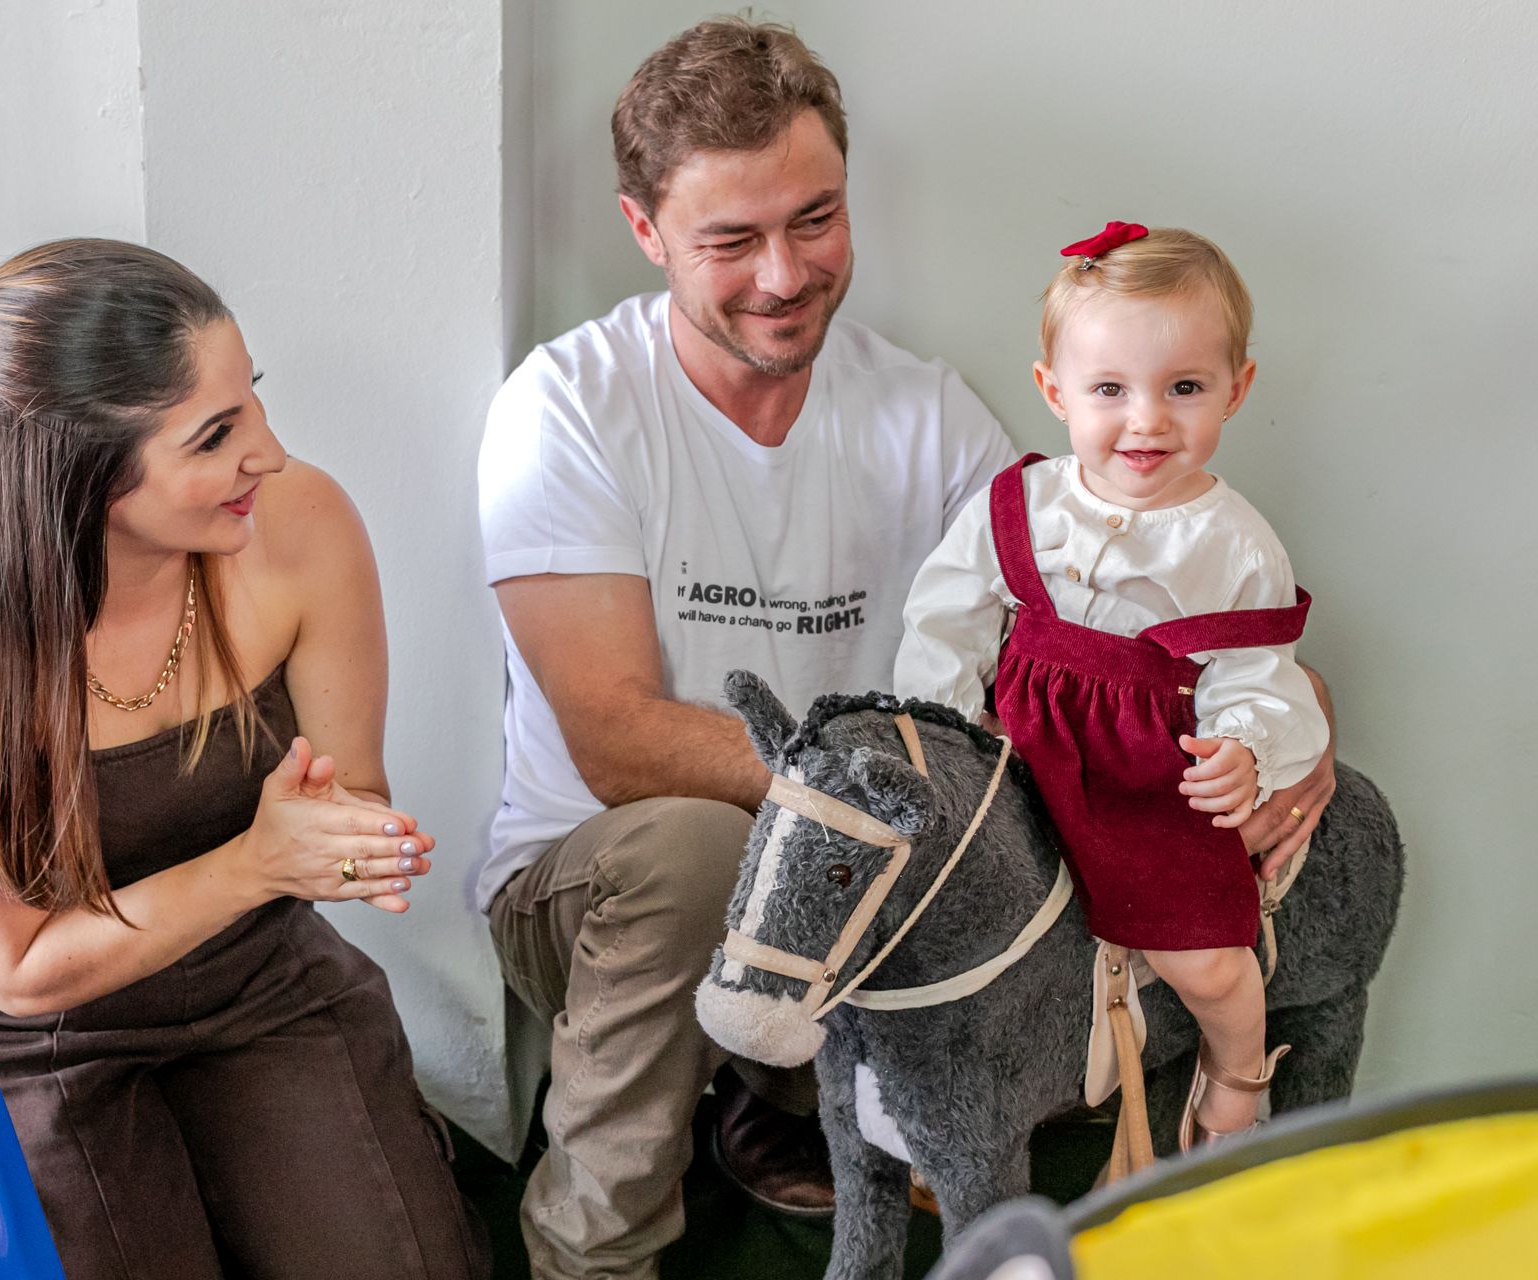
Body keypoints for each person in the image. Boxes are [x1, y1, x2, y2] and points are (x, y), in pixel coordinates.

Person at [476, 19, 1019, 1279]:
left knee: (1014, 802)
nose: (784, 274)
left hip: (847, 873)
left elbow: (1069, 616)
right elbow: (615, 740)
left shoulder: (927, 413)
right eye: (730, 241)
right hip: (601, 880)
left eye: (815, 220)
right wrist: (871, 798)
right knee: (698, 845)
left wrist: (1261, 710)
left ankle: (784, 1094)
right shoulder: (569, 404)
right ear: (645, 229)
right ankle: (593, 1248)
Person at [0, 239, 487, 1280]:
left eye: (253, 399)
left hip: (259, 983)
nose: (270, 452)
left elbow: (353, 793)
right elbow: (17, 971)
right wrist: (258, 862)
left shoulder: (302, 522)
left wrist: (351, 841)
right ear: (83, 476)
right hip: (44, 1038)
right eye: (216, 435)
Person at [890, 222, 1330, 1147]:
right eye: (1109, 390)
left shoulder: (1235, 545)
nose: (1147, 421)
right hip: (1017, 753)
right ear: (1054, 391)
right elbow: (946, 618)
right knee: (932, 908)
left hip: (1145, 777)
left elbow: (1255, 673)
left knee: (1207, 959)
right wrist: (944, 731)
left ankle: (1237, 1072)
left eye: (1184, 388)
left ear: (1237, 388)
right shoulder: (1019, 504)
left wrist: (1244, 748)